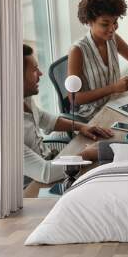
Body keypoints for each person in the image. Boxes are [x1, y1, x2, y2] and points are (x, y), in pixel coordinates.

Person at [23, 44, 113, 184]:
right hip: (33, 184)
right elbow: (46, 174)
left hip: (50, 161)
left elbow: (43, 118)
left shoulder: (24, 98)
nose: (41, 74)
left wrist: (82, 127)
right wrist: (87, 153)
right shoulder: (6, 133)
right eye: (34, 70)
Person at [68, 0, 128, 120]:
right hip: (91, 117)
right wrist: (113, 88)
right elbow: (74, 98)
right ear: (90, 22)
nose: (112, 29)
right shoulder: (77, 50)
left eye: (115, 22)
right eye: (105, 24)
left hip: (116, 106)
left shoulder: (113, 39)